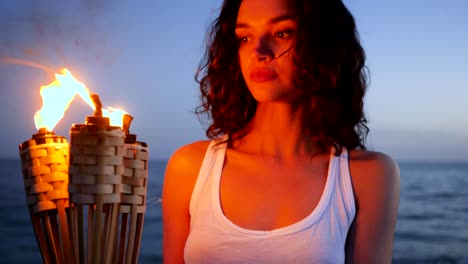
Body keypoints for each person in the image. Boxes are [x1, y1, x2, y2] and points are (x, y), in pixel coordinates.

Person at [162, 0, 400, 263]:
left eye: (283, 33)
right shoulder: (190, 168)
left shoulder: (368, 175)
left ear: (324, 44)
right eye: (244, 37)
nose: (259, 51)